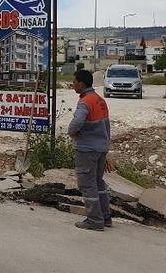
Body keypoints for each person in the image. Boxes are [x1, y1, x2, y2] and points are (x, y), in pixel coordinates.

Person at [68, 69, 112, 231]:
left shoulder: (85, 101)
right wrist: (105, 148)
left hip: (87, 149)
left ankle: (95, 220)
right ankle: (105, 217)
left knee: (87, 184)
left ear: (81, 83)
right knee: (98, 182)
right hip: (101, 148)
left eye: (74, 82)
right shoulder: (100, 100)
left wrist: (72, 133)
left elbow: (76, 122)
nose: (72, 85)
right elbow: (107, 127)